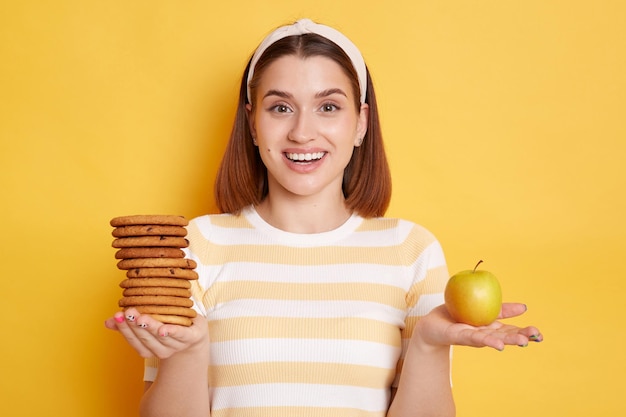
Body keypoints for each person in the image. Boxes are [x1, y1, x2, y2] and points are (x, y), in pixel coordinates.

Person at [105, 18, 543, 417]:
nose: (302, 132)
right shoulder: (196, 246)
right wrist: (186, 354)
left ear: (361, 123)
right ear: (253, 124)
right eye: (280, 107)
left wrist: (428, 346)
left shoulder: (411, 250)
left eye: (328, 107)